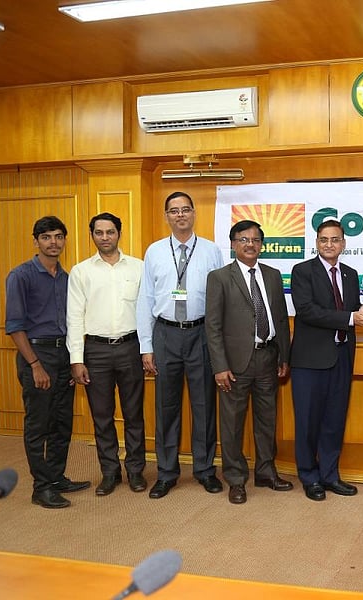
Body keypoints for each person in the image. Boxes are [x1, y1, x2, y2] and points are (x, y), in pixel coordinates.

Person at [136, 191, 224, 499]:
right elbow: (146, 300)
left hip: (201, 334)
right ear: (166, 216)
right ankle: (167, 473)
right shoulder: (155, 252)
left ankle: (204, 470)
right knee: (166, 407)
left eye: (185, 209)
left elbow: (219, 300)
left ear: (194, 213)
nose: (180, 215)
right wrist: (146, 346)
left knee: (204, 405)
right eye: (174, 211)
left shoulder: (212, 251)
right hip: (166, 335)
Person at [290, 218, 363, 501]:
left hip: (341, 356)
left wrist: (362, 312)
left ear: (343, 243)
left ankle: (330, 475)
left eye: (335, 240)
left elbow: (350, 312)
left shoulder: (351, 274)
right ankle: (309, 476)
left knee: (333, 420)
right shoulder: (302, 271)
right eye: (324, 240)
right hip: (309, 360)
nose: (329, 244)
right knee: (307, 421)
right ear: (317, 243)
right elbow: (306, 311)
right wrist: (351, 317)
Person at [206, 220, 292, 505]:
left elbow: (280, 318)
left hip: (268, 357)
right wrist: (219, 366)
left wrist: (283, 355)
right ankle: (235, 479)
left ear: (261, 244)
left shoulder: (273, 274)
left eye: (255, 240)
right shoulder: (219, 277)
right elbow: (213, 326)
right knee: (231, 424)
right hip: (234, 363)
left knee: (267, 420)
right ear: (232, 244)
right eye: (243, 239)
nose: (250, 244)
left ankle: (266, 472)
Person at [6, 216, 89, 509]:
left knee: (61, 423)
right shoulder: (21, 276)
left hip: (63, 355)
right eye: (46, 237)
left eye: (58, 236)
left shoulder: (68, 279)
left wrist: (72, 360)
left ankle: (56, 478)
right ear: (36, 241)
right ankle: (40, 487)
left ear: (64, 240)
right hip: (37, 355)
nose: (53, 242)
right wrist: (35, 365)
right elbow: (15, 326)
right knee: (38, 425)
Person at [67, 212, 147, 496]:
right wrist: (77, 359)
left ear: (119, 234)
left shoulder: (138, 268)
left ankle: (136, 471)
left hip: (131, 348)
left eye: (110, 232)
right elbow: (74, 318)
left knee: (134, 414)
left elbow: (147, 312)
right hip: (96, 351)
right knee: (102, 417)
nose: (105, 237)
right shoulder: (81, 271)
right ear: (92, 236)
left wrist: (147, 349)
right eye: (99, 233)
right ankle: (110, 472)